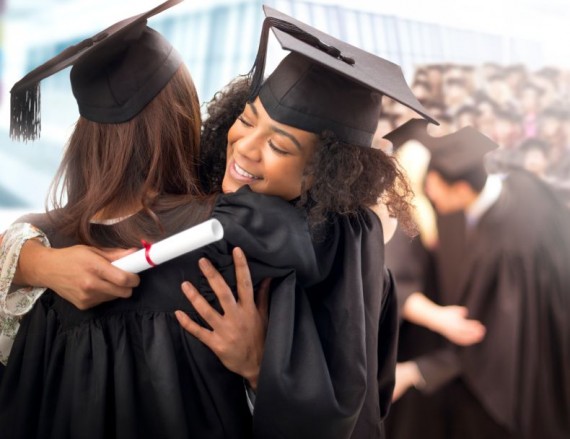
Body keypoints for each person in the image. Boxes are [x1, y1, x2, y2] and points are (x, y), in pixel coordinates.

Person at [0, 5, 437, 439]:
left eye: (281, 147)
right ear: (191, 117)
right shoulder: (255, 245)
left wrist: (35, 262)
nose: (246, 147)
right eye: (246, 120)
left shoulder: (48, 241)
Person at [392, 123, 570, 438]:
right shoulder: (524, 185)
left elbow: (485, 333)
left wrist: (421, 371)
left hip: (531, 361)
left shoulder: (502, 251)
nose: (429, 195)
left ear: (460, 189)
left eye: (433, 187)